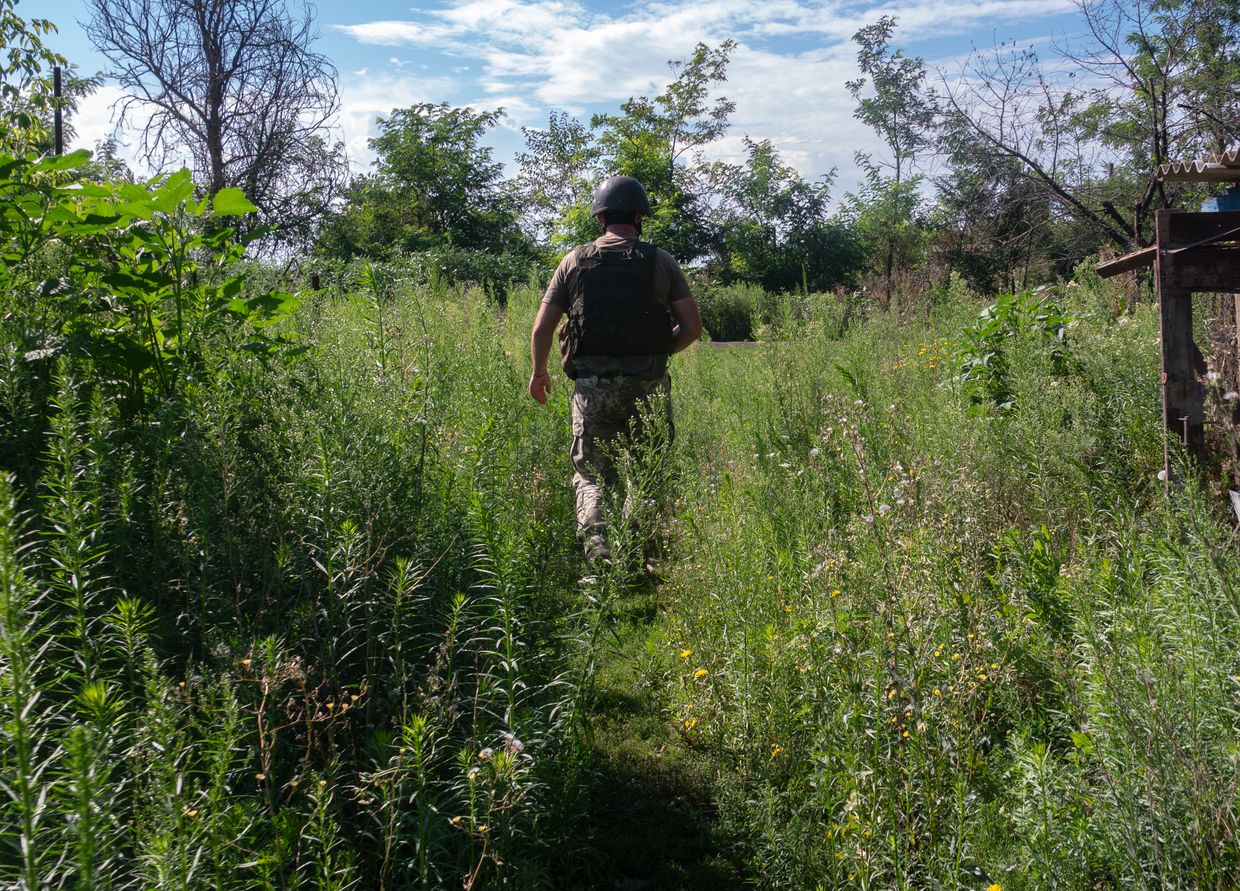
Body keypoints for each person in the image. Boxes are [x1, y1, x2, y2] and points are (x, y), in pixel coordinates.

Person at [528, 175, 702, 563]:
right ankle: (639, 556)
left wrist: (540, 373)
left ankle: (601, 558)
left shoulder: (574, 261)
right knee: (647, 471)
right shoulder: (661, 261)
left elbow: (542, 328)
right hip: (649, 385)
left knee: (592, 477)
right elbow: (692, 328)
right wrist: (658, 352)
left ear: (599, 218)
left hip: (593, 390)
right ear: (640, 216)